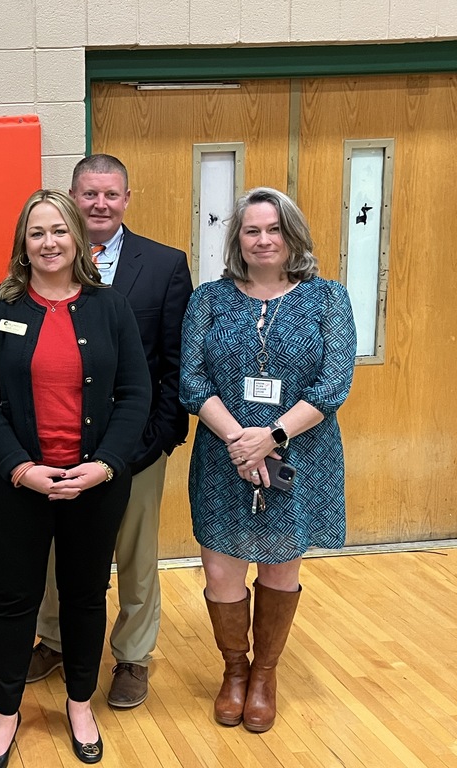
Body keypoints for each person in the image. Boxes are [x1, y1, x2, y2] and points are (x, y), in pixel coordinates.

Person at [0, 189, 151, 766]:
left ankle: (79, 703)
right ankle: (5, 714)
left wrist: (104, 465)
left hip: (93, 484)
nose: (49, 243)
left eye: (59, 231)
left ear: (79, 239)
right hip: (19, 484)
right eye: (37, 232)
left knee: (85, 597)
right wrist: (20, 467)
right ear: (23, 241)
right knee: (14, 601)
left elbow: (135, 394)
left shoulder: (109, 307)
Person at [179, 187, 356, 733]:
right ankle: (235, 671)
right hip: (223, 454)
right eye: (251, 230)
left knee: (281, 564)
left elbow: (335, 382)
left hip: (299, 455)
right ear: (238, 240)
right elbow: (190, 379)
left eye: (273, 229)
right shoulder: (208, 299)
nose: (263, 240)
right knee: (221, 569)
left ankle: (265, 675)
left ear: (291, 236)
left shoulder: (328, 298)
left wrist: (272, 436)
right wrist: (241, 439)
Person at [28, 154, 193, 709]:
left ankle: (131, 657)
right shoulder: (50, 264)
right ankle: (53, 639)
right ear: (73, 196)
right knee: (59, 551)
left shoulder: (165, 266)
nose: (99, 204)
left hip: (138, 447)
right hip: (60, 445)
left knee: (136, 554)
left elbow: (174, 364)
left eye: (111, 194)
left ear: (127, 198)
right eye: (89, 194)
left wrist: (154, 440)